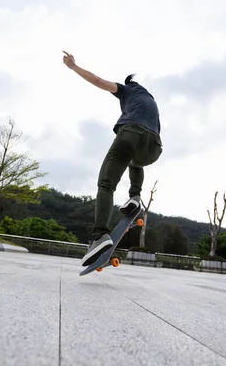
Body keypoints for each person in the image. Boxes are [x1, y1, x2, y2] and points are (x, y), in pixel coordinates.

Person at [62, 51, 163, 266]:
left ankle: (100, 235)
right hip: (154, 147)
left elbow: (98, 81)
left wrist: (73, 66)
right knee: (135, 161)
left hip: (131, 133)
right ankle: (135, 196)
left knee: (106, 183)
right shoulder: (152, 102)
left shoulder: (127, 90)